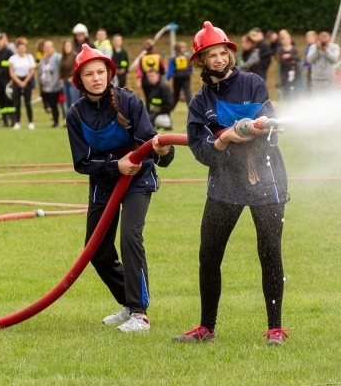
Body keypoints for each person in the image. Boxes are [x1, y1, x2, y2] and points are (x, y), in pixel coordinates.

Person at [173, 21, 288, 346]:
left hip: (266, 180)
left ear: (230, 54)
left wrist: (258, 126)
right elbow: (201, 151)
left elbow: (270, 126)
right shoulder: (199, 103)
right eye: (212, 55)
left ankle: (275, 329)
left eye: (223, 52)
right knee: (209, 254)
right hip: (225, 184)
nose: (219, 59)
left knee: (270, 253)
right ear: (201, 61)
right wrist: (224, 139)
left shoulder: (253, 83)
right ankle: (206, 327)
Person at [66, 45, 174, 333]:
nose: (96, 78)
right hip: (104, 183)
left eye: (100, 72)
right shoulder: (75, 114)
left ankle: (139, 313)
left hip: (137, 179)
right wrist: (116, 166)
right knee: (97, 251)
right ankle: (128, 302)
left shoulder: (129, 101)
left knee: (130, 237)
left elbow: (151, 143)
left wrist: (164, 152)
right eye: (89, 74)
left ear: (109, 73)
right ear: (80, 80)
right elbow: (82, 162)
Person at [8, 39, 36, 130]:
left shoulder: (29, 57)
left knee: (28, 102)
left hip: (27, 80)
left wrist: (25, 81)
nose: (21, 50)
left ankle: (30, 122)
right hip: (16, 80)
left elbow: (32, 71)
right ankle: (17, 122)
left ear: (25, 48)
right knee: (16, 102)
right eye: (20, 48)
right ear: (17, 49)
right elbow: (11, 72)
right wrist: (19, 82)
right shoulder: (13, 58)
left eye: (23, 48)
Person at [0, 33, 15, 127]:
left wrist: (12, 79)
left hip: (6, 78)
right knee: (0, 98)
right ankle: (4, 120)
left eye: (0, 40)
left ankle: (13, 119)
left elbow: (13, 66)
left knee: (8, 98)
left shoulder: (8, 52)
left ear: (4, 41)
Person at [37, 40, 63, 128]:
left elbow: (61, 69)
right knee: (48, 104)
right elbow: (40, 71)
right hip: (44, 85)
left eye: (49, 47)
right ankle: (54, 120)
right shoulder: (42, 59)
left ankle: (56, 122)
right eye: (46, 47)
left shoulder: (57, 57)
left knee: (54, 104)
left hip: (55, 85)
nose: (47, 49)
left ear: (53, 48)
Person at [166, 41, 192, 110]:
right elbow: (190, 64)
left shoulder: (173, 56)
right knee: (187, 93)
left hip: (177, 76)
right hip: (186, 75)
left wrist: (168, 78)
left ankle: (170, 109)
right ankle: (191, 109)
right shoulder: (187, 55)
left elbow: (170, 68)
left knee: (176, 94)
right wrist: (190, 72)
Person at [276, 29, 301, 101]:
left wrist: (290, 56)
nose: (286, 41)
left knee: (296, 89)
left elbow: (298, 58)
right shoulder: (280, 49)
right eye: (284, 39)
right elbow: (280, 60)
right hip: (284, 73)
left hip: (295, 72)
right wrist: (290, 60)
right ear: (282, 41)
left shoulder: (294, 49)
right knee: (286, 91)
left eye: (287, 39)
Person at [59, 39, 79, 111]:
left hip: (73, 82)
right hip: (65, 81)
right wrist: (60, 78)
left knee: (74, 103)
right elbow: (61, 69)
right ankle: (69, 117)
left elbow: (78, 68)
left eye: (69, 45)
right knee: (67, 103)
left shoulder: (75, 56)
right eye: (66, 46)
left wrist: (73, 77)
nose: (67, 47)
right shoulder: (63, 57)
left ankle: (76, 117)